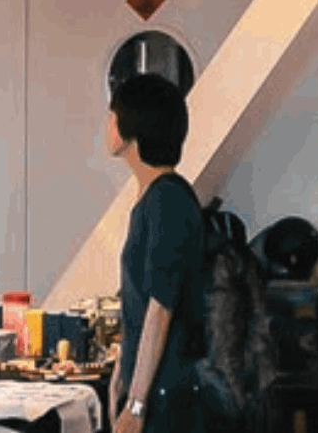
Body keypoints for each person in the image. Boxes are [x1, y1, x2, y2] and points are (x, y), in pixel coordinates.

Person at [108, 72, 206, 433]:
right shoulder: (154, 197)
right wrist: (121, 372)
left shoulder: (168, 199)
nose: (107, 125)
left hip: (167, 397)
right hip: (156, 390)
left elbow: (160, 307)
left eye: (112, 116)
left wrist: (136, 403)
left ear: (132, 127)